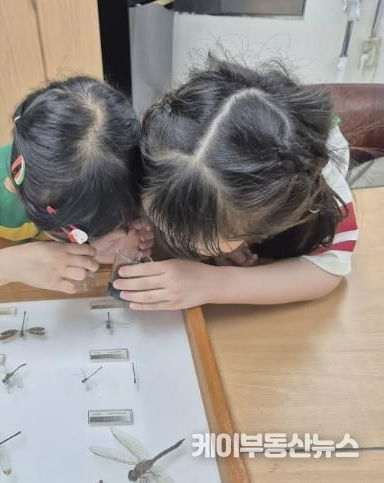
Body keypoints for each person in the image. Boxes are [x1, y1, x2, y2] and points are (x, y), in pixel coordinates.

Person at [113, 58, 357, 310]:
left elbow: (330, 267)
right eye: (160, 219)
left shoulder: (316, 185)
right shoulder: (168, 141)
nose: (171, 236)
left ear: (266, 223)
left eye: (200, 238)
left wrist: (213, 284)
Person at [0, 76, 153, 306]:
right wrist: (10, 265)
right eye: (79, 235)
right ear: (16, 191)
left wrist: (107, 245)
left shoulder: (131, 173)